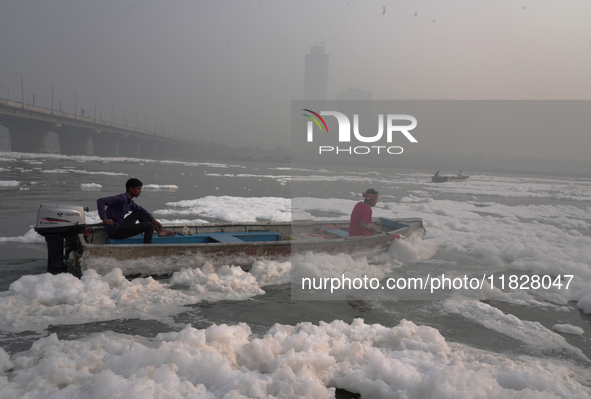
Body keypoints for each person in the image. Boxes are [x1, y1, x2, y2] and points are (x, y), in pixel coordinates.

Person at [97, 178, 176, 243]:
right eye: (138, 189)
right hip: (115, 231)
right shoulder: (122, 198)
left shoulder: (129, 202)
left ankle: (160, 230)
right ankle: (147, 250)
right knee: (148, 226)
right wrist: (104, 218)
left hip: (121, 225)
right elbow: (101, 201)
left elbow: (141, 209)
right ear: (131, 189)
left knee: (139, 213)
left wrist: (153, 220)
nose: (140, 191)